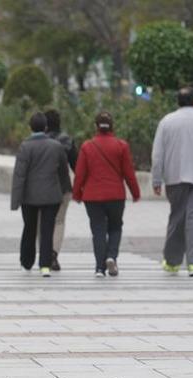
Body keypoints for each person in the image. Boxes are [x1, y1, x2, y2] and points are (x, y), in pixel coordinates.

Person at [152, 87, 193, 277]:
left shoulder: (167, 122)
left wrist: (156, 179)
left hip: (174, 177)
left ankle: (172, 262)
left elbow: (158, 154)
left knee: (177, 218)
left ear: (178, 101)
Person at [72, 112, 141, 277]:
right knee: (116, 227)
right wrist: (135, 192)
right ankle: (111, 256)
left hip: (92, 196)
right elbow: (128, 173)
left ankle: (99, 268)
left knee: (98, 230)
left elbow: (80, 174)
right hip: (116, 195)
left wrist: (77, 194)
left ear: (96, 127)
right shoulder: (121, 145)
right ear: (112, 126)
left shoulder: (87, 146)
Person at [11, 112, 71, 277]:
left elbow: (19, 175)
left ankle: (26, 263)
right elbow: (63, 172)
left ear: (30, 127)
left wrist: (15, 201)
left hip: (29, 197)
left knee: (29, 229)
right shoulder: (56, 146)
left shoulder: (25, 146)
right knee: (47, 230)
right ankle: (45, 265)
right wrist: (65, 190)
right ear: (45, 127)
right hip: (51, 196)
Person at [43, 109, 79, 271]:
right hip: (63, 187)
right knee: (59, 221)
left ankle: (45, 255)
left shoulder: (37, 141)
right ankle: (53, 254)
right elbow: (77, 166)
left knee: (41, 223)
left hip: (41, 188)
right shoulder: (67, 141)